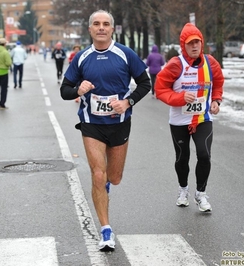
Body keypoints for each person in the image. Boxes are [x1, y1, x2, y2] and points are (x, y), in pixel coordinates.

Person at [60, 10, 151, 251]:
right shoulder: (81, 58)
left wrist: (127, 102)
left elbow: (145, 83)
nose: (101, 28)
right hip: (92, 125)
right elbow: (64, 90)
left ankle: (106, 186)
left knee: (114, 177)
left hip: (119, 123)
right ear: (90, 29)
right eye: (97, 24)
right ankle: (106, 230)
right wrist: (79, 90)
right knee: (98, 175)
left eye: (106, 24)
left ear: (112, 29)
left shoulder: (125, 54)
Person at [154, 23, 224, 212]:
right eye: (190, 43)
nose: (194, 46)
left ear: (202, 44)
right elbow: (160, 89)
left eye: (197, 43)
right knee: (182, 158)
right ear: (183, 45)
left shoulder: (210, 62)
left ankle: (201, 194)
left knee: (204, 154)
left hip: (202, 118)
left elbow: (218, 82)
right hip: (179, 121)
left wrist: (216, 100)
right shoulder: (176, 64)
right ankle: (183, 189)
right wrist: (180, 98)